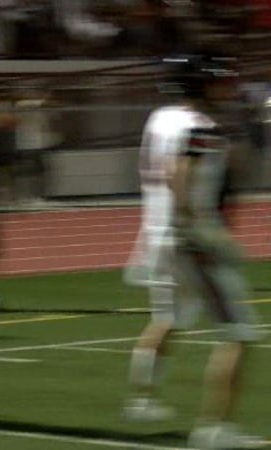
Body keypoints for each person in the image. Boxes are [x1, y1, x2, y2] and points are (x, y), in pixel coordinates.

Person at [123, 51, 265, 449]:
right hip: (190, 239)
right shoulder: (200, 126)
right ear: (203, 84)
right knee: (238, 332)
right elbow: (178, 171)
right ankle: (215, 429)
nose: (227, 87)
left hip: (159, 234)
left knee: (169, 317)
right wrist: (197, 227)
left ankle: (141, 399)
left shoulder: (161, 117)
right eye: (220, 80)